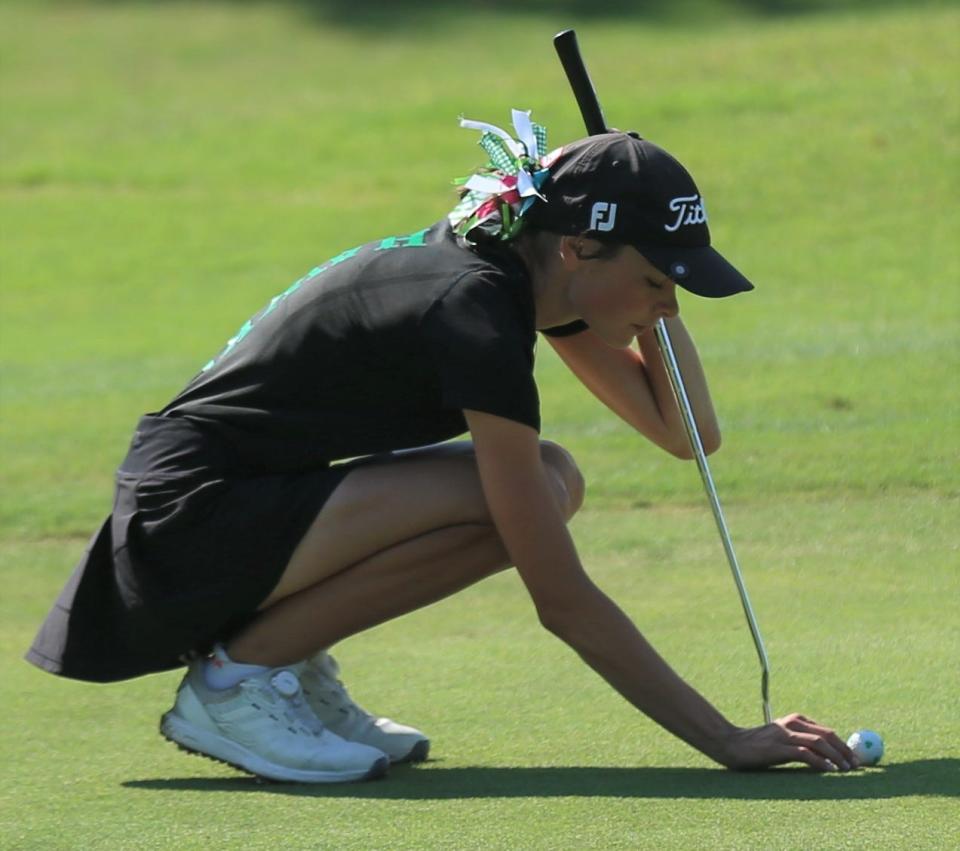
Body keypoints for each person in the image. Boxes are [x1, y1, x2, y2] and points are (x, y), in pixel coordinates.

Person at [26, 110, 859, 783]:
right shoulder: (474, 312)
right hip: (186, 523)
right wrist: (725, 738)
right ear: (575, 247)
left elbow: (686, 434)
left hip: (241, 506)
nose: (669, 307)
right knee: (532, 494)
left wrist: (647, 298)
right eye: (657, 281)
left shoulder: (518, 274)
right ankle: (240, 678)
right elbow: (559, 595)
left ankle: (281, 657)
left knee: (549, 478)